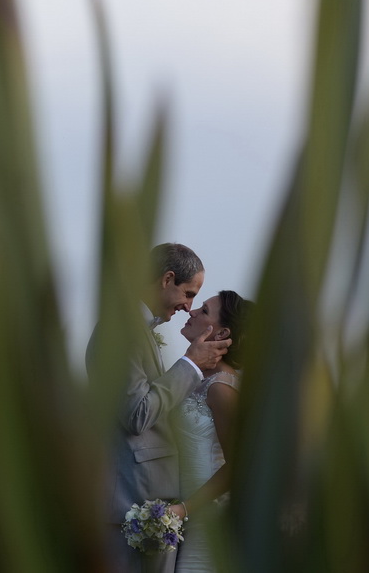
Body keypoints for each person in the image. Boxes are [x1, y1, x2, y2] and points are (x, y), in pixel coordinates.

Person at [86, 243, 232, 573]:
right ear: (167, 279)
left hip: (156, 503)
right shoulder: (121, 329)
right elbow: (138, 413)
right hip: (133, 500)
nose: (189, 307)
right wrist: (191, 365)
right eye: (189, 293)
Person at [168, 290, 252, 573]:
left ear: (221, 332)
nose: (191, 311)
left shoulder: (221, 389)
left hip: (206, 520)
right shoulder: (193, 377)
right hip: (181, 515)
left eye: (203, 311)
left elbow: (239, 466)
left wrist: (184, 509)